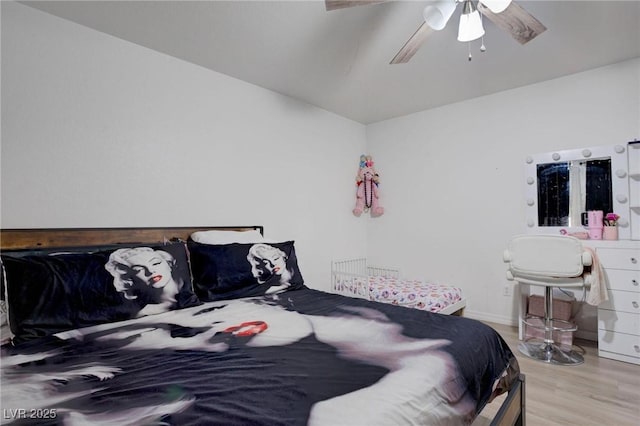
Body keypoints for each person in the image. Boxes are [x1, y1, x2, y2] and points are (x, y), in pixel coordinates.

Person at [104, 247, 182, 317]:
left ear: (169, 264)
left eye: (156, 263)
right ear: (130, 279)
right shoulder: (145, 313)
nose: (150, 271)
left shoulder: (188, 293)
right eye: (139, 270)